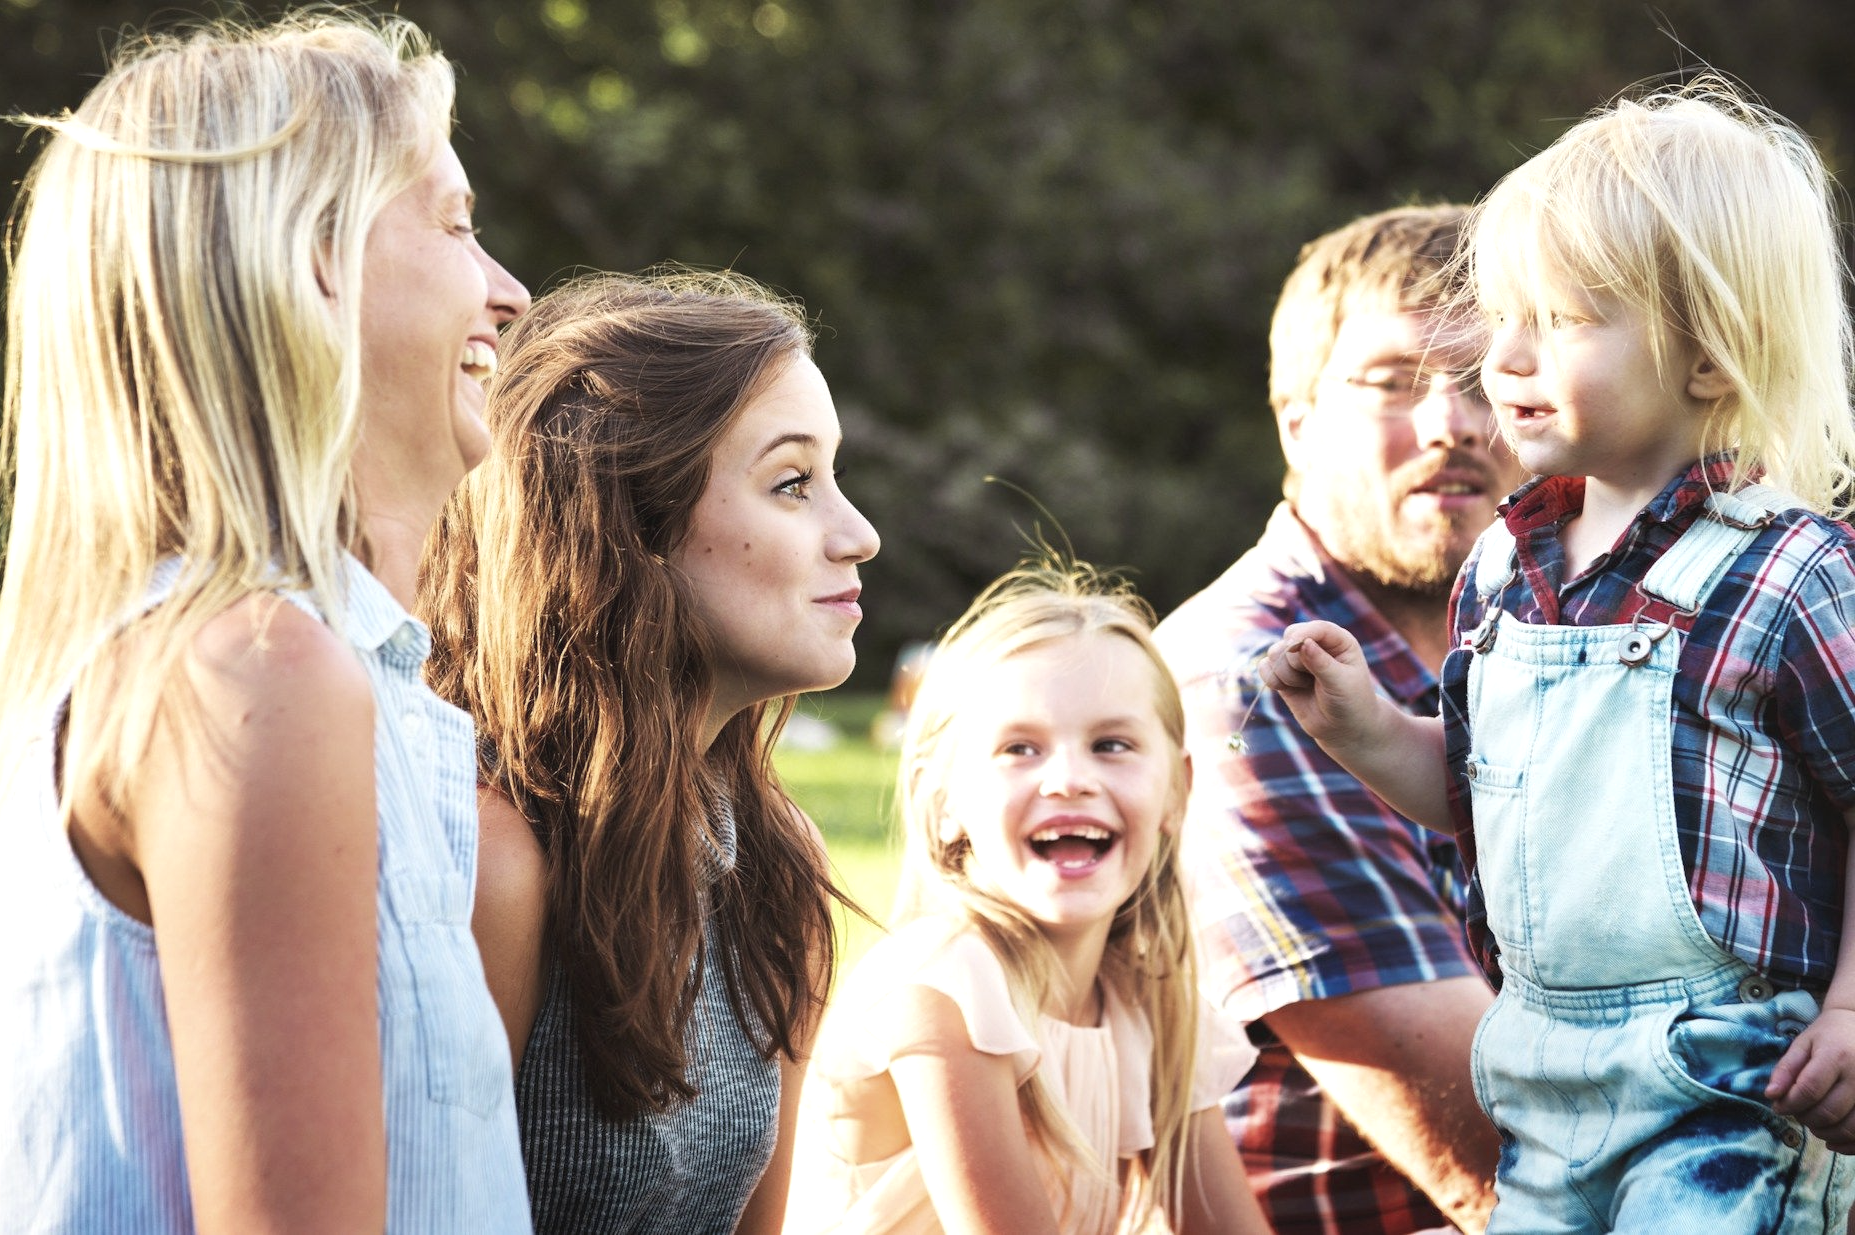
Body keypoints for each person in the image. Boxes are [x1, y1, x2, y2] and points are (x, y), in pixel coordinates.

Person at [0, 12, 533, 1233]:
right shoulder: (254, 672)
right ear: (313, 259)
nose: (511, 293)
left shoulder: (299, 674)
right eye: (457, 224)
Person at [1262, 80, 1855, 1231]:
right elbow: (1490, 794)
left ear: (1712, 358)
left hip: (1730, 1085)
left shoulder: (1794, 577)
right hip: (1546, 1074)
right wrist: (1368, 730)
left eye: (1564, 319)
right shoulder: (1502, 567)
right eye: (1508, 315)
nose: (1508, 356)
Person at [419, 269, 879, 1233]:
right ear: (631, 527)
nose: (860, 535)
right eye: (793, 482)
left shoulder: (777, 866)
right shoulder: (494, 859)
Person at [1153, 206, 1517, 1233]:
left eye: (1490, 377)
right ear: (1296, 422)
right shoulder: (1255, 681)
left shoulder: (1547, 642)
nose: (1453, 422)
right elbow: (1486, 1153)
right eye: (1394, 382)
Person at [783, 560, 1273, 1235]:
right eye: (1020, 747)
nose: (1069, 778)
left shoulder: (1147, 1002)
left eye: (1112, 744)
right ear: (946, 800)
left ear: (1177, 791)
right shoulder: (944, 989)